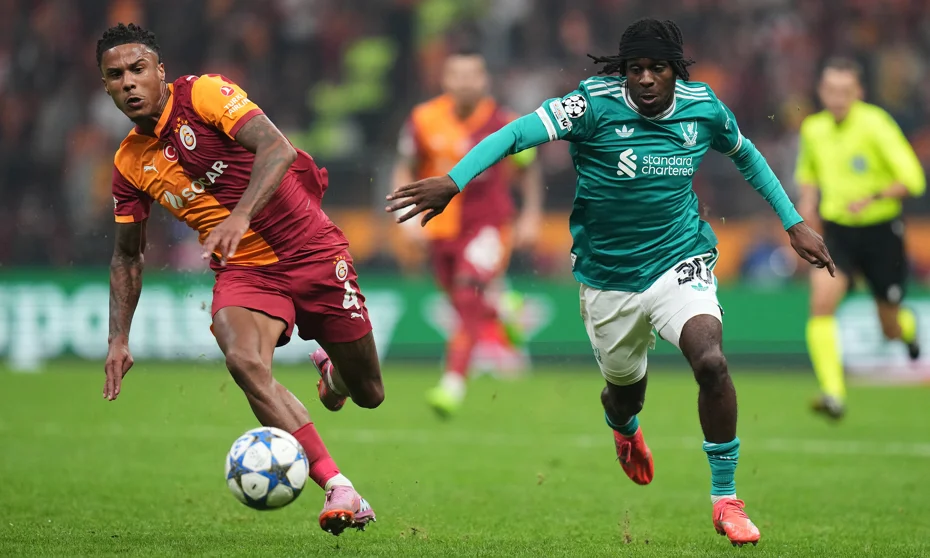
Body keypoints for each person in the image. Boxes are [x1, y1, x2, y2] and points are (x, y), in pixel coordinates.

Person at [387, 18, 834, 547]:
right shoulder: (591, 105)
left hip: (679, 260)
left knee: (711, 362)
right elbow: (515, 134)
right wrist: (453, 180)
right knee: (625, 396)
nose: (645, 78)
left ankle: (726, 499)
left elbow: (747, 155)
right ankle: (623, 428)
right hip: (608, 279)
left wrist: (792, 222)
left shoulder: (704, 108)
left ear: (676, 71)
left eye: (657, 68)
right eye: (635, 68)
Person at [98, 23, 380, 536]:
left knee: (369, 392)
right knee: (244, 361)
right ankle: (338, 485)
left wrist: (240, 214)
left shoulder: (204, 95)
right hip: (245, 271)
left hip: (311, 249)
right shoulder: (129, 163)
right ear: (107, 87)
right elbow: (127, 257)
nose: (129, 83)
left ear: (160, 71)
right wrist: (118, 338)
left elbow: (278, 149)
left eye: (138, 69)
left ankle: (334, 377)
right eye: (116, 76)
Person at [391, 48, 544, 416]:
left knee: (467, 288)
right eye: (457, 75)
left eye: (471, 75)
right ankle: (503, 308)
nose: (464, 83)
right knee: (464, 304)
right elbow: (405, 166)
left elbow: (528, 169)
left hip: (489, 226)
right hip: (440, 228)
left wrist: (531, 215)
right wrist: (407, 219)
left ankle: (452, 383)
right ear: (445, 80)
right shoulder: (423, 119)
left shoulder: (504, 122)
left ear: (484, 80)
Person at [795, 57, 926, 420]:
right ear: (821, 92)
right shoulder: (813, 129)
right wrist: (806, 204)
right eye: (831, 90)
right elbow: (808, 173)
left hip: (881, 233)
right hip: (838, 233)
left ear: (859, 93)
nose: (837, 98)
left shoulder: (876, 125)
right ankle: (833, 394)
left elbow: (914, 179)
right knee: (821, 304)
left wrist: (874, 196)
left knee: (890, 327)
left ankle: (908, 331)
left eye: (845, 91)